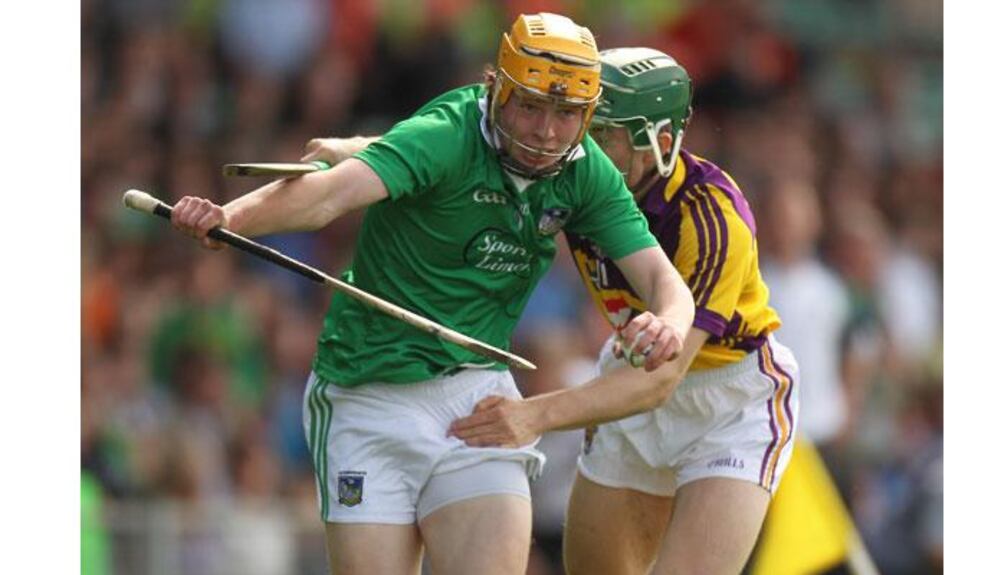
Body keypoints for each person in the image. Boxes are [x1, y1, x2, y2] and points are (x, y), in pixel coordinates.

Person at [169, 14, 694, 575]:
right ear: (497, 90)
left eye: (566, 114)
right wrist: (230, 218)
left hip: (475, 398)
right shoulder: (446, 133)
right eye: (532, 106)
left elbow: (668, 286)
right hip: (366, 394)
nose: (546, 131)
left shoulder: (585, 172)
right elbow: (327, 195)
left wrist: (668, 322)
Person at [447, 47, 802, 575]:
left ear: (658, 143)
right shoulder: (573, 174)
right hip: (629, 382)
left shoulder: (711, 221)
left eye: (602, 132)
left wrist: (532, 415)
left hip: (728, 404)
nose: (576, 143)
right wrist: (365, 156)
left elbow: (664, 379)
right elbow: (452, 154)